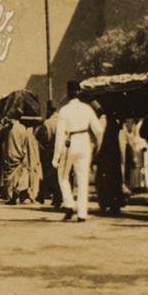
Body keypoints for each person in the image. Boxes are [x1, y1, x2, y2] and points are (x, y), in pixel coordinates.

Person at [54, 81, 103, 222]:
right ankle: (82, 213)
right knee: (83, 178)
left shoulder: (64, 110)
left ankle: (69, 204)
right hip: (85, 141)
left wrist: (56, 156)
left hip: (70, 141)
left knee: (63, 175)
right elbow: (99, 130)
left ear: (68, 94)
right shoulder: (87, 109)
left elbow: (59, 135)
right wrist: (97, 145)